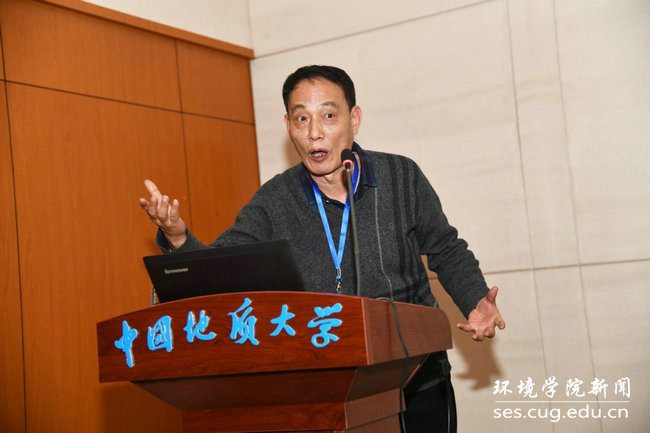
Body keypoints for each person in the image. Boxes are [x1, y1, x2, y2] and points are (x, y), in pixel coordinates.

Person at [140, 65, 505, 433]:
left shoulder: (401, 176)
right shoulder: (274, 200)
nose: (314, 132)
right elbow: (220, 269)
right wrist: (177, 237)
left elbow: (446, 249)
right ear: (288, 126)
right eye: (302, 118)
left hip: (416, 374)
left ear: (354, 118)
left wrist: (475, 299)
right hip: (326, 385)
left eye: (328, 116)